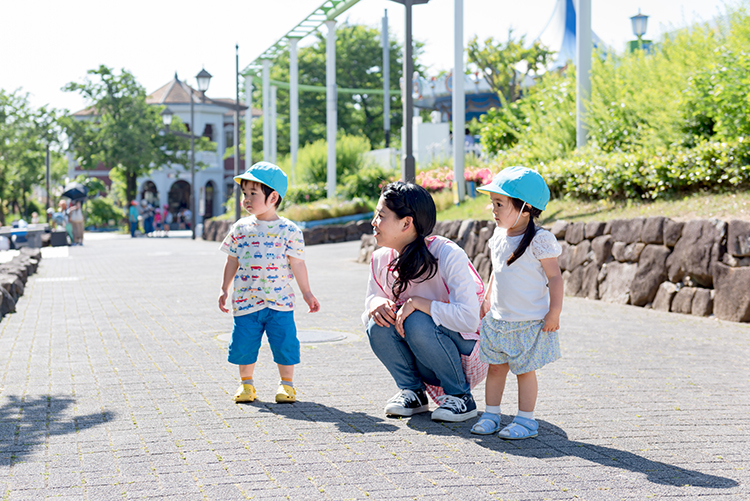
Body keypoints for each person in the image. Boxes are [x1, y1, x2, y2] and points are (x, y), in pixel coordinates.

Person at [364, 181, 487, 422]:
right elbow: (371, 298)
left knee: (416, 320)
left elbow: (469, 319)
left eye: (381, 215)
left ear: (407, 223)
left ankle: (461, 396)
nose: (373, 223)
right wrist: (375, 304)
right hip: (421, 354)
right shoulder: (380, 259)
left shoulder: (447, 254)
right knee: (376, 322)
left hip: (464, 354)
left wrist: (420, 303)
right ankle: (413, 392)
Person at [470, 166, 563, 440]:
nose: (493, 209)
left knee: (524, 372)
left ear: (525, 208)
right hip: (498, 320)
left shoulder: (539, 240)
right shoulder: (499, 236)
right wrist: (486, 300)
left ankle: (526, 420)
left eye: (499, 203)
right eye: (492, 203)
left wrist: (553, 312)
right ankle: (492, 414)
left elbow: (555, 278)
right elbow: (496, 273)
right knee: (495, 368)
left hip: (527, 322)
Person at [218, 162, 320, 404]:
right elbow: (232, 260)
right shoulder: (240, 228)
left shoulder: (289, 230)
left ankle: (287, 385)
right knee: (244, 343)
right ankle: (246, 385)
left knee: (285, 343)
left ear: (273, 197)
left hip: (279, 301)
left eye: (254, 193)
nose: (247, 199)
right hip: (246, 301)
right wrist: (224, 288)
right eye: (245, 194)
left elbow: (298, 264)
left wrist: (306, 292)